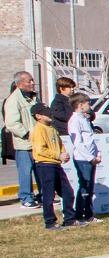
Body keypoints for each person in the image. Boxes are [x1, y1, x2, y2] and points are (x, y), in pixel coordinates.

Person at [29, 102, 75, 230]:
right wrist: (57, 155)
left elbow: (59, 144)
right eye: (45, 112)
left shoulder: (52, 128)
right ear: (38, 116)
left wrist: (63, 154)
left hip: (56, 164)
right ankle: (50, 222)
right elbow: (40, 150)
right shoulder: (38, 129)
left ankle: (70, 219)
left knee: (68, 192)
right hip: (44, 165)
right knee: (49, 195)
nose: (49, 114)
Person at [4, 71, 39, 208]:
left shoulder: (34, 98)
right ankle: (26, 198)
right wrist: (27, 134)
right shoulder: (13, 100)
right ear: (19, 84)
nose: (32, 83)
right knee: (25, 171)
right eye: (29, 81)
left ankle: (43, 195)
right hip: (24, 144)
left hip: (38, 142)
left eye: (32, 80)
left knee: (41, 170)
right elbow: (12, 123)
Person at [66, 93, 100, 223]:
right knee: (84, 187)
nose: (89, 106)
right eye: (88, 103)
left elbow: (90, 139)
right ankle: (80, 214)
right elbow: (78, 143)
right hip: (82, 159)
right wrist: (90, 158)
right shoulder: (74, 121)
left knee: (89, 187)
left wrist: (97, 154)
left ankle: (89, 214)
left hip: (91, 158)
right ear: (80, 105)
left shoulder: (84, 119)